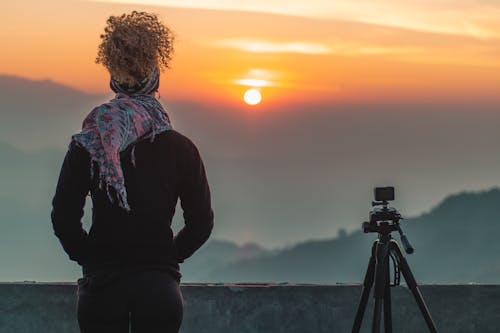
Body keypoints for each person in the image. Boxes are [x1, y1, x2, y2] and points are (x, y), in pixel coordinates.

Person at [51, 11, 214, 333]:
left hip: (102, 287)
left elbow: (64, 216)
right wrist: (164, 260)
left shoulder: (90, 143)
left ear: (114, 78)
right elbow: (201, 223)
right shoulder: (181, 148)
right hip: (159, 290)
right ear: (155, 79)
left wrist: (92, 259)